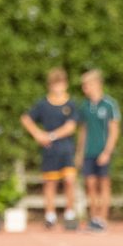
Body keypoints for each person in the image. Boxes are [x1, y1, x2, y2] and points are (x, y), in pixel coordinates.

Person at [20, 68, 79, 229]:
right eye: (54, 84)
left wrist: (51, 136)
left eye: (60, 84)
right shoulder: (43, 104)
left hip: (66, 148)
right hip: (50, 150)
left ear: (65, 85)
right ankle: (50, 215)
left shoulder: (71, 104)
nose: (57, 88)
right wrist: (38, 134)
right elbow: (26, 119)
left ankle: (69, 213)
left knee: (69, 180)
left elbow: (70, 127)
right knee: (50, 182)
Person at [77, 70, 120, 231]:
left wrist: (107, 152)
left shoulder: (109, 104)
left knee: (104, 184)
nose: (84, 89)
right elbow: (83, 131)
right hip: (89, 152)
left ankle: (102, 219)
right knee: (90, 184)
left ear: (96, 84)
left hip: (103, 152)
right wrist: (80, 153)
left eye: (86, 85)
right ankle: (93, 218)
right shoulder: (85, 106)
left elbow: (114, 130)